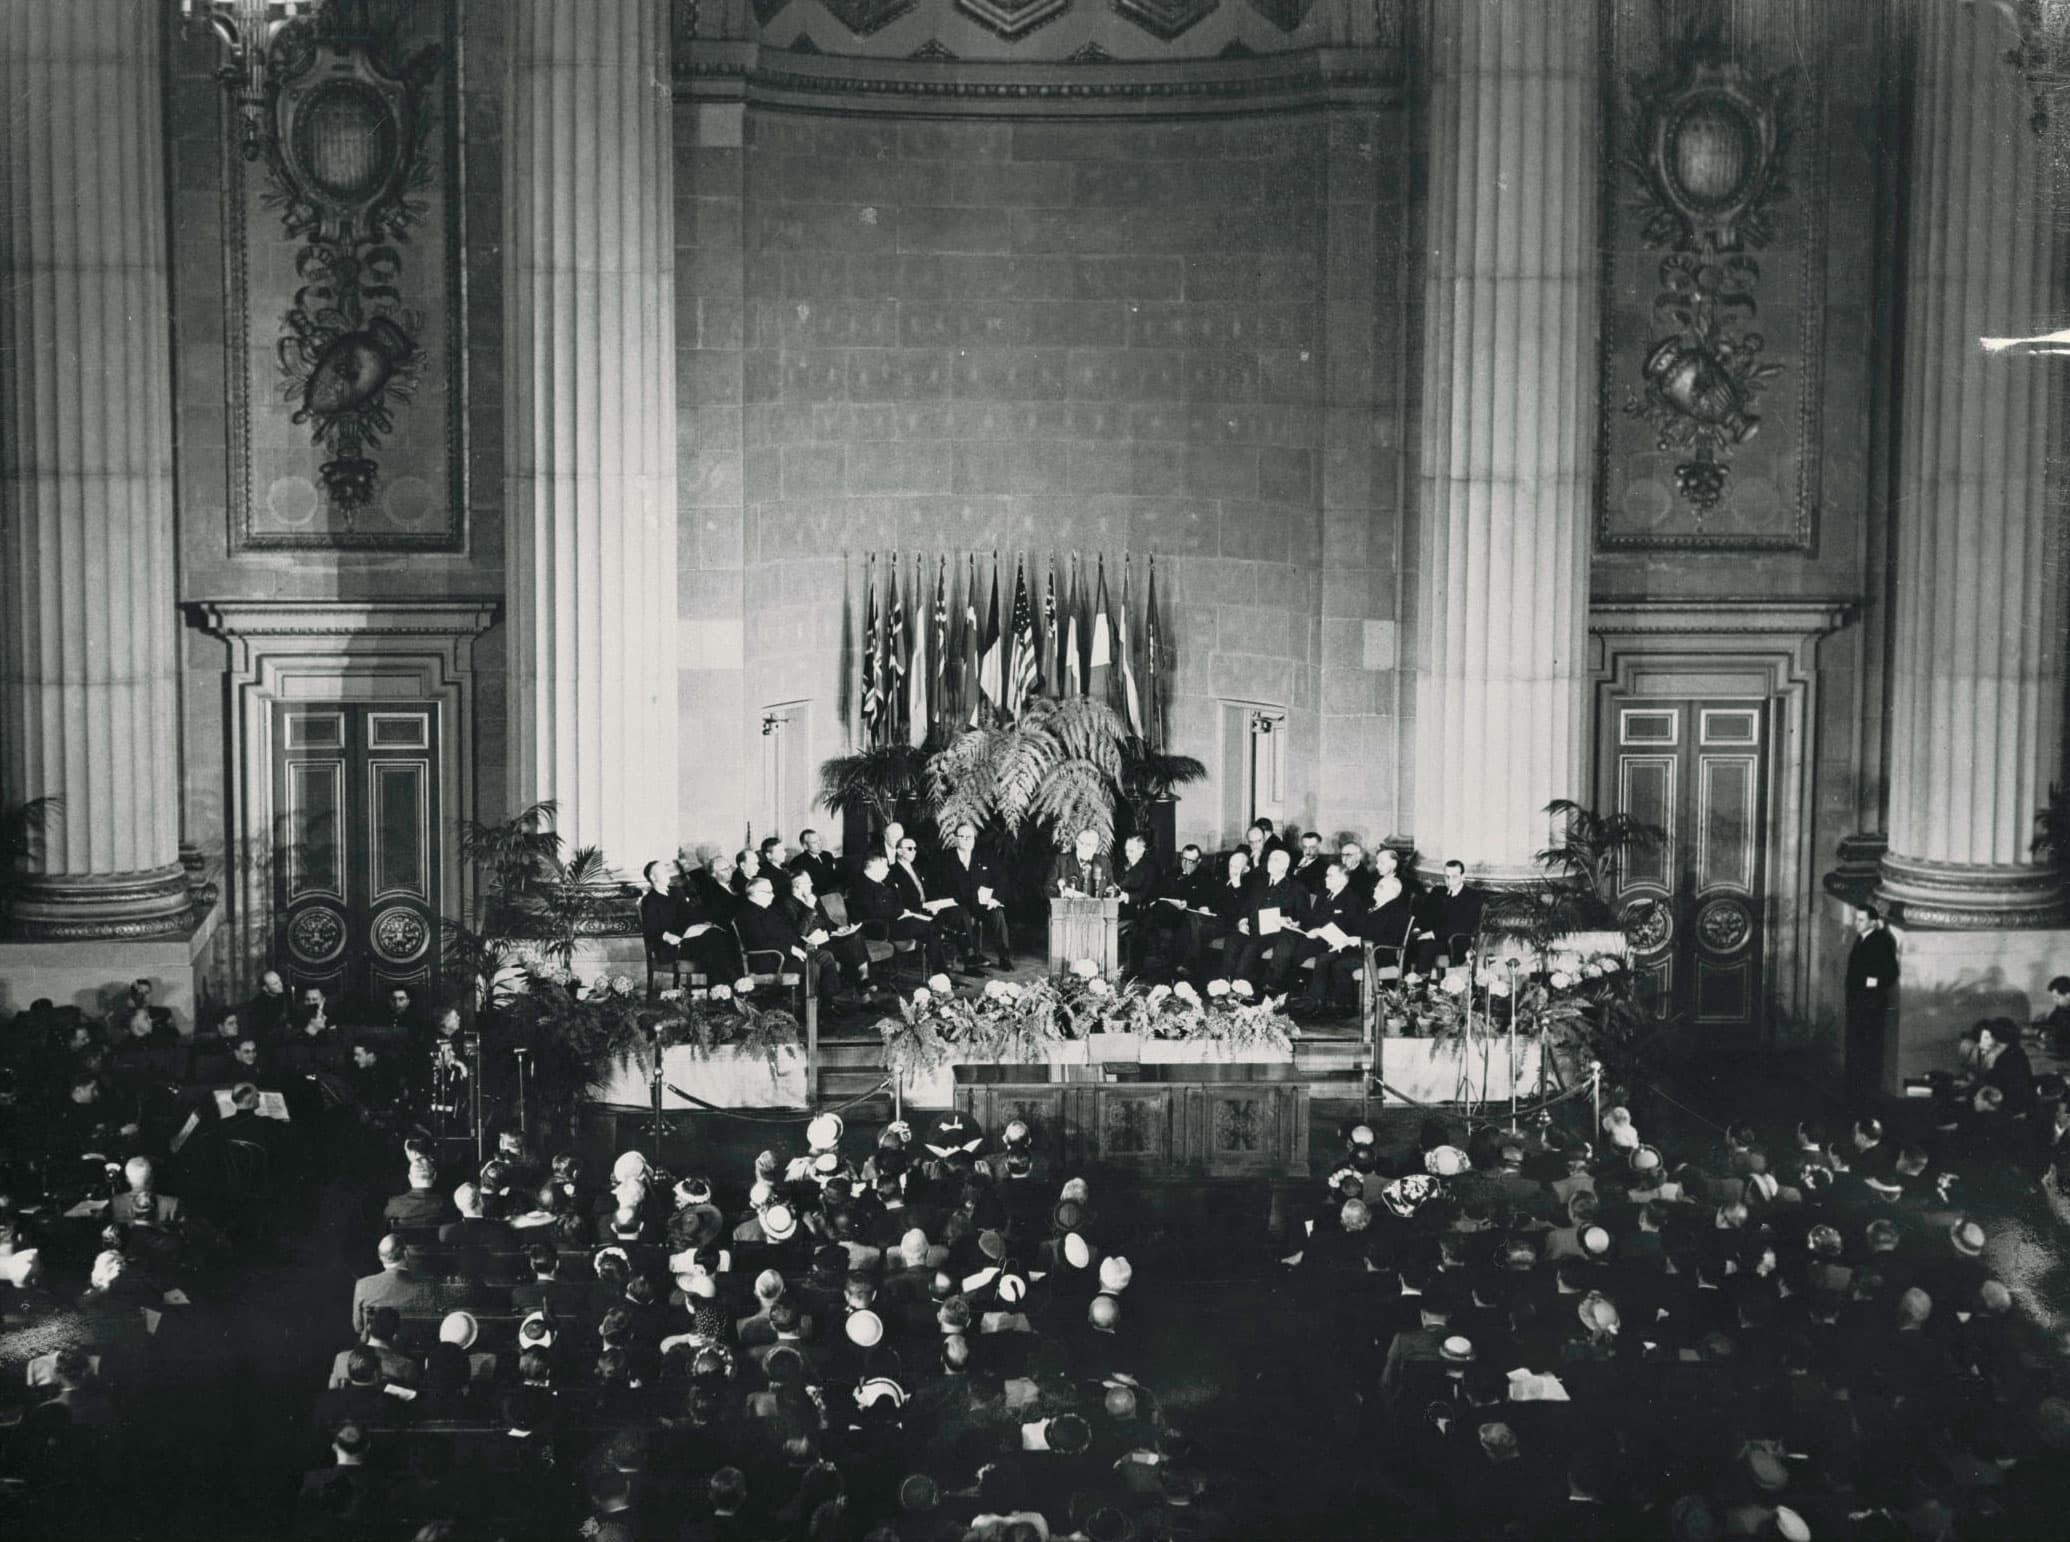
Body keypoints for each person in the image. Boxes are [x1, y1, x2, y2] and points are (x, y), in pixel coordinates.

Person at [736, 873, 841, 1002]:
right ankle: (810, 1011)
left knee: (826, 956)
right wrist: (790, 949)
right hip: (770, 959)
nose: (773, 895)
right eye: (769, 892)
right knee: (813, 966)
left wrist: (802, 940)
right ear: (756, 893)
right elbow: (759, 942)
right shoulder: (747, 914)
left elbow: (789, 931)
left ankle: (828, 1002)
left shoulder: (770, 910)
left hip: (787, 954)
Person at [850, 852, 950, 976]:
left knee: (933, 927)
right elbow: (873, 912)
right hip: (879, 928)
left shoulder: (882, 882)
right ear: (873, 866)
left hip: (894, 921)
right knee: (931, 929)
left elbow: (896, 902)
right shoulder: (861, 886)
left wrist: (902, 912)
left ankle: (940, 973)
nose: (888, 869)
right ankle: (941, 975)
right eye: (884, 866)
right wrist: (900, 912)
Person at [785, 867, 872, 1000]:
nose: (812, 884)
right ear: (797, 885)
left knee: (855, 937)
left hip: (827, 939)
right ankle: (863, 992)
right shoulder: (788, 903)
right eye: (808, 882)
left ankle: (864, 980)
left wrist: (839, 929)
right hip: (811, 945)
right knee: (849, 949)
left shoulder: (813, 897)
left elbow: (826, 921)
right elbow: (799, 931)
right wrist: (809, 908)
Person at [936, 820, 1013, 972]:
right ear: (955, 838)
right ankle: (970, 958)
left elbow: (1001, 878)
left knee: (997, 913)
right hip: (956, 905)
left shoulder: (984, 855)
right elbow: (938, 886)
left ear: (974, 838)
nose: (966, 840)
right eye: (962, 836)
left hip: (981, 904)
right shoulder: (944, 859)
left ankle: (1004, 957)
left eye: (969, 837)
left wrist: (995, 898)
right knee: (962, 915)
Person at [1230, 847, 1309, 992]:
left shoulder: (1296, 888)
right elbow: (1246, 908)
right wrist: (1242, 921)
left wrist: (1292, 921)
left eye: (1276, 860)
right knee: (1240, 942)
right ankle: (1234, 986)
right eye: (1270, 859)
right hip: (1256, 929)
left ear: (1285, 866)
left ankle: (1267, 987)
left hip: (1280, 932)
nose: (1270, 862)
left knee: (1254, 946)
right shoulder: (1259, 884)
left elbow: (1304, 917)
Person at [1845, 905, 1898, 1104]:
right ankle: (1857, 1088)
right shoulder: (1862, 938)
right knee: (1858, 1044)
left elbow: (1889, 973)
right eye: (1856, 919)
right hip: (1858, 1002)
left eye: (1860, 920)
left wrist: (1868, 984)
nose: (1855, 923)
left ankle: (1866, 1090)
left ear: (1873, 922)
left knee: (1868, 1046)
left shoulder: (1881, 940)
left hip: (1870, 1004)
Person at [891, 833, 973, 961]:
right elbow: (899, 900)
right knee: (945, 925)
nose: (914, 852)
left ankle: (969, 956)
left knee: (960, 912)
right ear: (899, 851)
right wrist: (924, 906)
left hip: (929, 906)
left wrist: (938, 902)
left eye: (915, 848)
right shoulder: (893, 872)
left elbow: (927, 890)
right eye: (910, 849)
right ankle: (966, 956)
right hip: (915, 911)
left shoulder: (916, 868)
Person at [1301, 862, 1369, 1016]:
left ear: (1343, 880)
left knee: (1322, 958)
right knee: (1293, 948)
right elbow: (1312, 919)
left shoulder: (1352, 899)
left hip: (1341, 945)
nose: (1326, 878)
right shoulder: (1323, 895)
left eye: (1330, 875)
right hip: (1318, 939)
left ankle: (1315, 1002)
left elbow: (1353, 928)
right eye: (1326, 875)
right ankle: (1294, 996)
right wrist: (1311, 929)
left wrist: (1321, 932)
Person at [1114, 833, 1163, 975]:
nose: (1127, 854)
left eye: (1131, 851)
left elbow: (1147, 893)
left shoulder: (1149, 867)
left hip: (1141, 910)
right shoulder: (1123, 865)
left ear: (1142, 850)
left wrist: (1127, 896)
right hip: (1121, 907)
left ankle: (1133, 971)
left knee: (1136, 930)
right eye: (1126, 850)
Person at [1049, 829, 1115, 899]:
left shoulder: (1104, 862)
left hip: (1097, 909)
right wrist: (1063, 893)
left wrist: (1112, 891)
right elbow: (1048, 888)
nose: (1089, 849)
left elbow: (1111, 887)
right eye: (1086, 844)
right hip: (1069, 908)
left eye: (1093, 845)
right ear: (1077, 843)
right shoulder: (1061, 861)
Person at [791, 827, 843, 898]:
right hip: (816, 898)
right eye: (814, 842)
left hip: (834, 894)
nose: (819, 845)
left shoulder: (827, 855)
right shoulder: (798, 862)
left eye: (819, 841)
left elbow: (835, 877)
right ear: (805, 846)